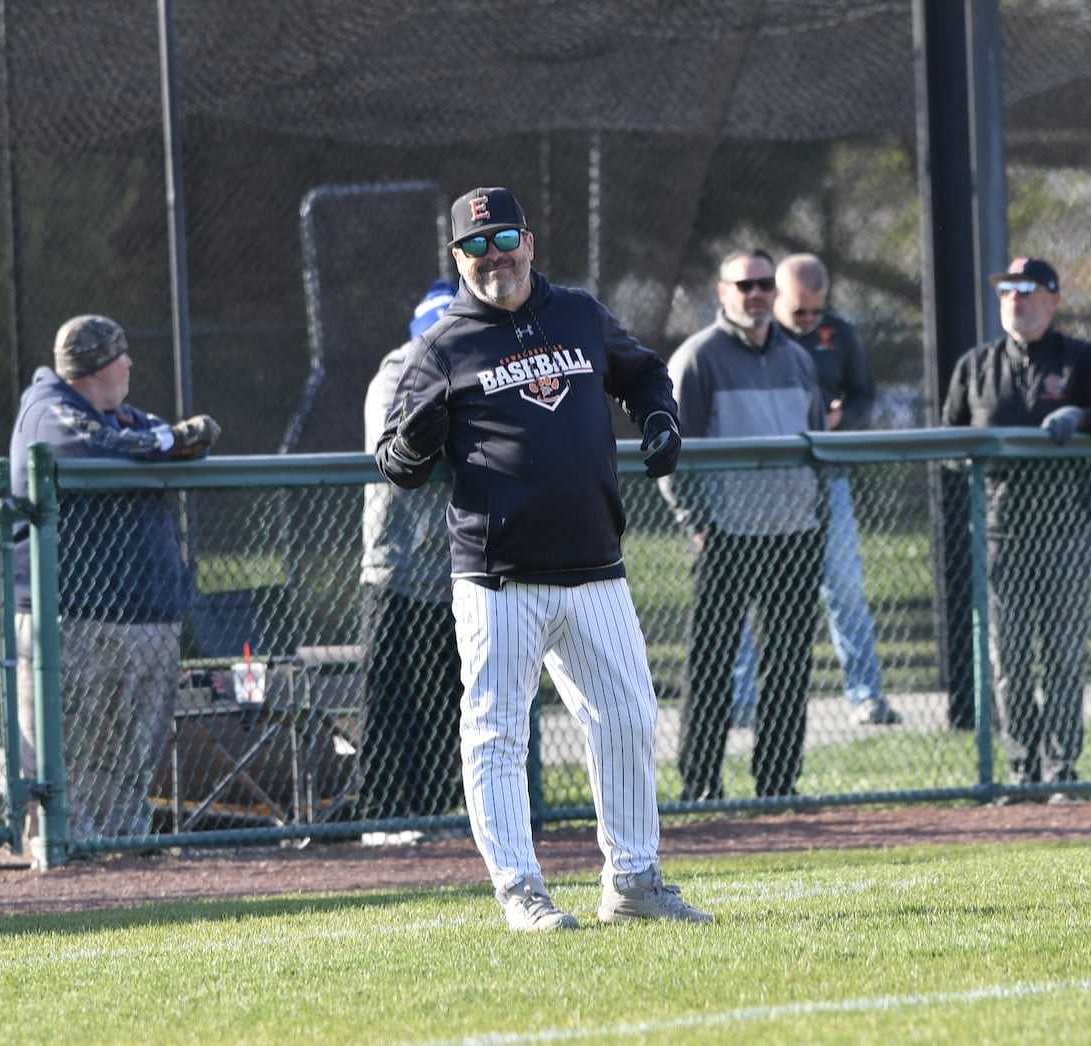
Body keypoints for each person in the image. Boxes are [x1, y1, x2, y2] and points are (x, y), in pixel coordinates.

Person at [376, 186, 712, 931]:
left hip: (594, 562)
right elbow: (394, 464)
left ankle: (633, 880)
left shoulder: (580, 314)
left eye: (504, 240)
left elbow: (645, 371)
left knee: (626, 717)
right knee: (497, 732)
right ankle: (520, 889)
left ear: (530, 242)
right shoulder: (444, 345)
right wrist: (414, 442)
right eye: (476, 246)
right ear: (457, 257)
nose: (493, 257)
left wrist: (659, 416)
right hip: (500, 576)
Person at [9, 315, 220, 855]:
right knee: (66, 748)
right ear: (94, 368)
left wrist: (164, 438)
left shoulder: (119, 415)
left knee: (127, 750)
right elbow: (99, 447)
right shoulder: (48, 410)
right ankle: (59, 851)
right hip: (69, 614)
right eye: (118, 356)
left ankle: (121, 842)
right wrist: (166, 439)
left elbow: (156, 440)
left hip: (137, 612)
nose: (129, 365)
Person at [942, 257, 1091, 804]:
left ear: (1052, 299)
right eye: (1006, 289)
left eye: (1026, 290)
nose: (1014, 299)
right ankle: (1022, 770)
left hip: (1065, 533)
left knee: (1061, 655)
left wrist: (1081, 417)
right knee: (1006, 658)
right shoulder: (976, 366)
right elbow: (948, 440)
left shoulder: (1081, 359)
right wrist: (978, 462)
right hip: (999, 534)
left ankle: (1061, 772)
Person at [661, 249, 827, 802]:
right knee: (710, 664)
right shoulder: (698, 357)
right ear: (722, 292)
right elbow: (669, 453)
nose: (756, 294)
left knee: (787, 666)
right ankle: (701, 783)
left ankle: (778, 782)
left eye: (764, 284)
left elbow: (815, 444)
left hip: (794, 534)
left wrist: (816, 513)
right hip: (727, 534)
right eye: (744, 285)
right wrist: (699, 521)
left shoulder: (798, 359)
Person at [729, 253, 899, 728]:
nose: (807, 320)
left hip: (827, 480)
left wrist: (842, 418)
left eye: (815, 311)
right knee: (745, 593)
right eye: (798, 311)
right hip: (763, 487)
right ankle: (742, 700)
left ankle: (866, 694)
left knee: (844, 587)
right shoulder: (755, 337)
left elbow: (864, 396)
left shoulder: (840, 334)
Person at [354, 280, 464, 839]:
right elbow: (396, 458)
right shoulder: (394, 374)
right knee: (389, 694)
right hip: (396, 570)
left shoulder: (477, 363)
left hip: (459, 570)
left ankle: (428, 810)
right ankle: (378, 815)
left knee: (445, 700)